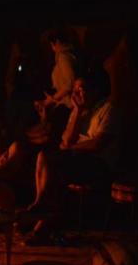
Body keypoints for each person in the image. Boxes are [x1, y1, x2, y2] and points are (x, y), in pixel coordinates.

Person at [25, 70, 122, 241]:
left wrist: (71, 148)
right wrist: (77, 111)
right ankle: (41, 207)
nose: (75, 93)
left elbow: (97, 144)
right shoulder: (80, 110)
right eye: (75, 89)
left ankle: (42, 221)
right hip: (77, 158)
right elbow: (67, 138)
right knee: (43, 156)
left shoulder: (108, 110)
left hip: (99, 165)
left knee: (54, 165)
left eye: (81, 89)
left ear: (95, 90)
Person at [27, 29, 78, 145]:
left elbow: (69, 84)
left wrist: (49, 100)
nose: (51, 48)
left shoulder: (64, 57)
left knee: (46, 135)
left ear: (57, 42)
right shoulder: (64, 57)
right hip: (64, 104)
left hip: (68, 105)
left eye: (51, 44)